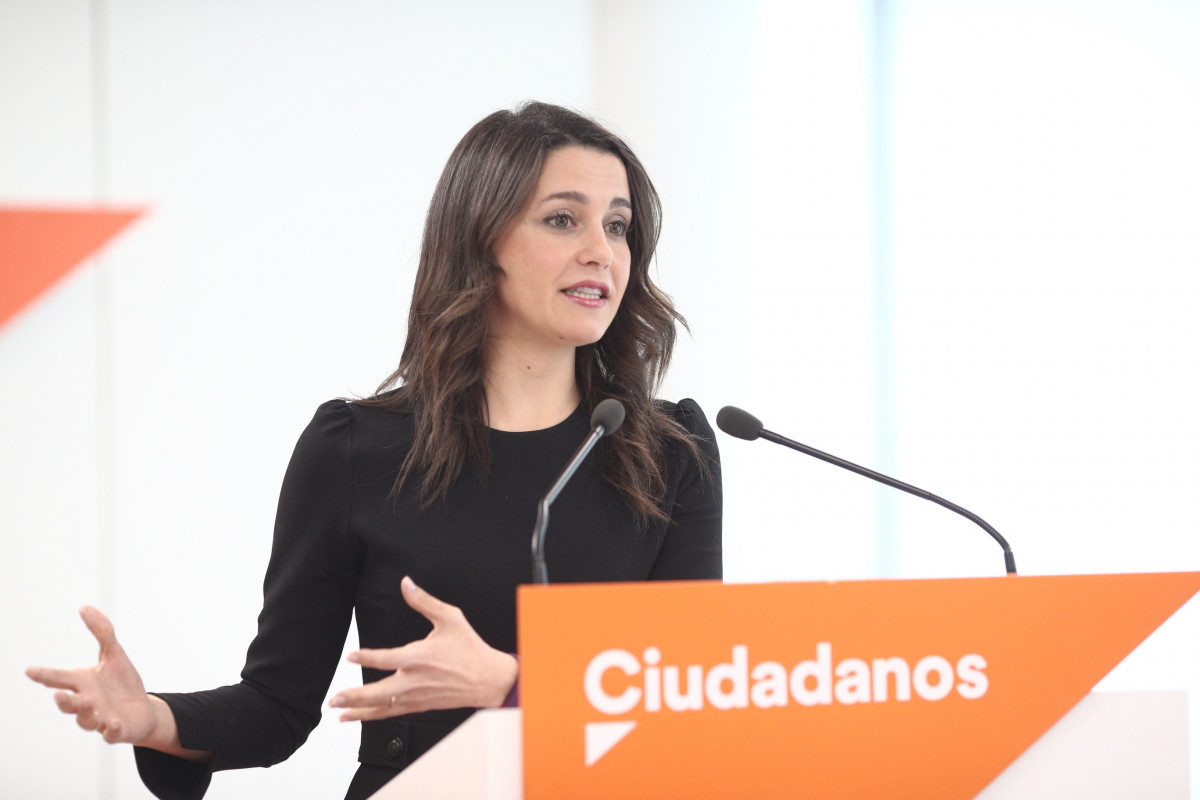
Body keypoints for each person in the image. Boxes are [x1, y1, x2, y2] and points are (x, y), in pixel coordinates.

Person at [26, 101, 722, 800]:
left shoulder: (671, 455)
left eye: (618, 225)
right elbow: (275, 706)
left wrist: (509, 685)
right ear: (481, 242)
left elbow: (687, 708)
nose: (602, 250)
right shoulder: (357, 450)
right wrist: (151, 718)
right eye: (563, 219)